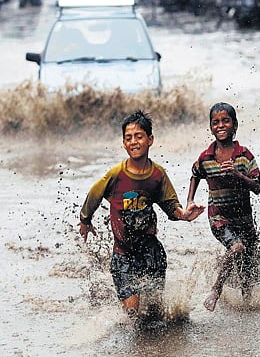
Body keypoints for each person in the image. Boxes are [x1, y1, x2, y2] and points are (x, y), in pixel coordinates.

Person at [79, 110, 204, 323]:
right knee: (132, 313)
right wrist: (85, 220)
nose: (134, 142)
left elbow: (170, 206)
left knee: (154, 315)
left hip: (151, 253)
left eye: (139, 136)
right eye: (128, 138)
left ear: (150, 140)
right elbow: (94, 194)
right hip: (123, 255)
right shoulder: (116, 174)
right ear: (124, 143)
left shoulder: (157, 175)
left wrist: (184, 215)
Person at [187, 102, 260, 312]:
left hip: (244, 220)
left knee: (247, 270)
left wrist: (238, 176)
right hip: (219, 217)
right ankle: (215, 291)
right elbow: (195, 174)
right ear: (211, 127)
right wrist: (190, 201)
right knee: (236, 248)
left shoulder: (244, 155)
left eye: (225, 121)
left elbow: (257, 187)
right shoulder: (206, 157)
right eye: (215, 122)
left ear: (234, 125)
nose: (220, 125)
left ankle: (247, 314)